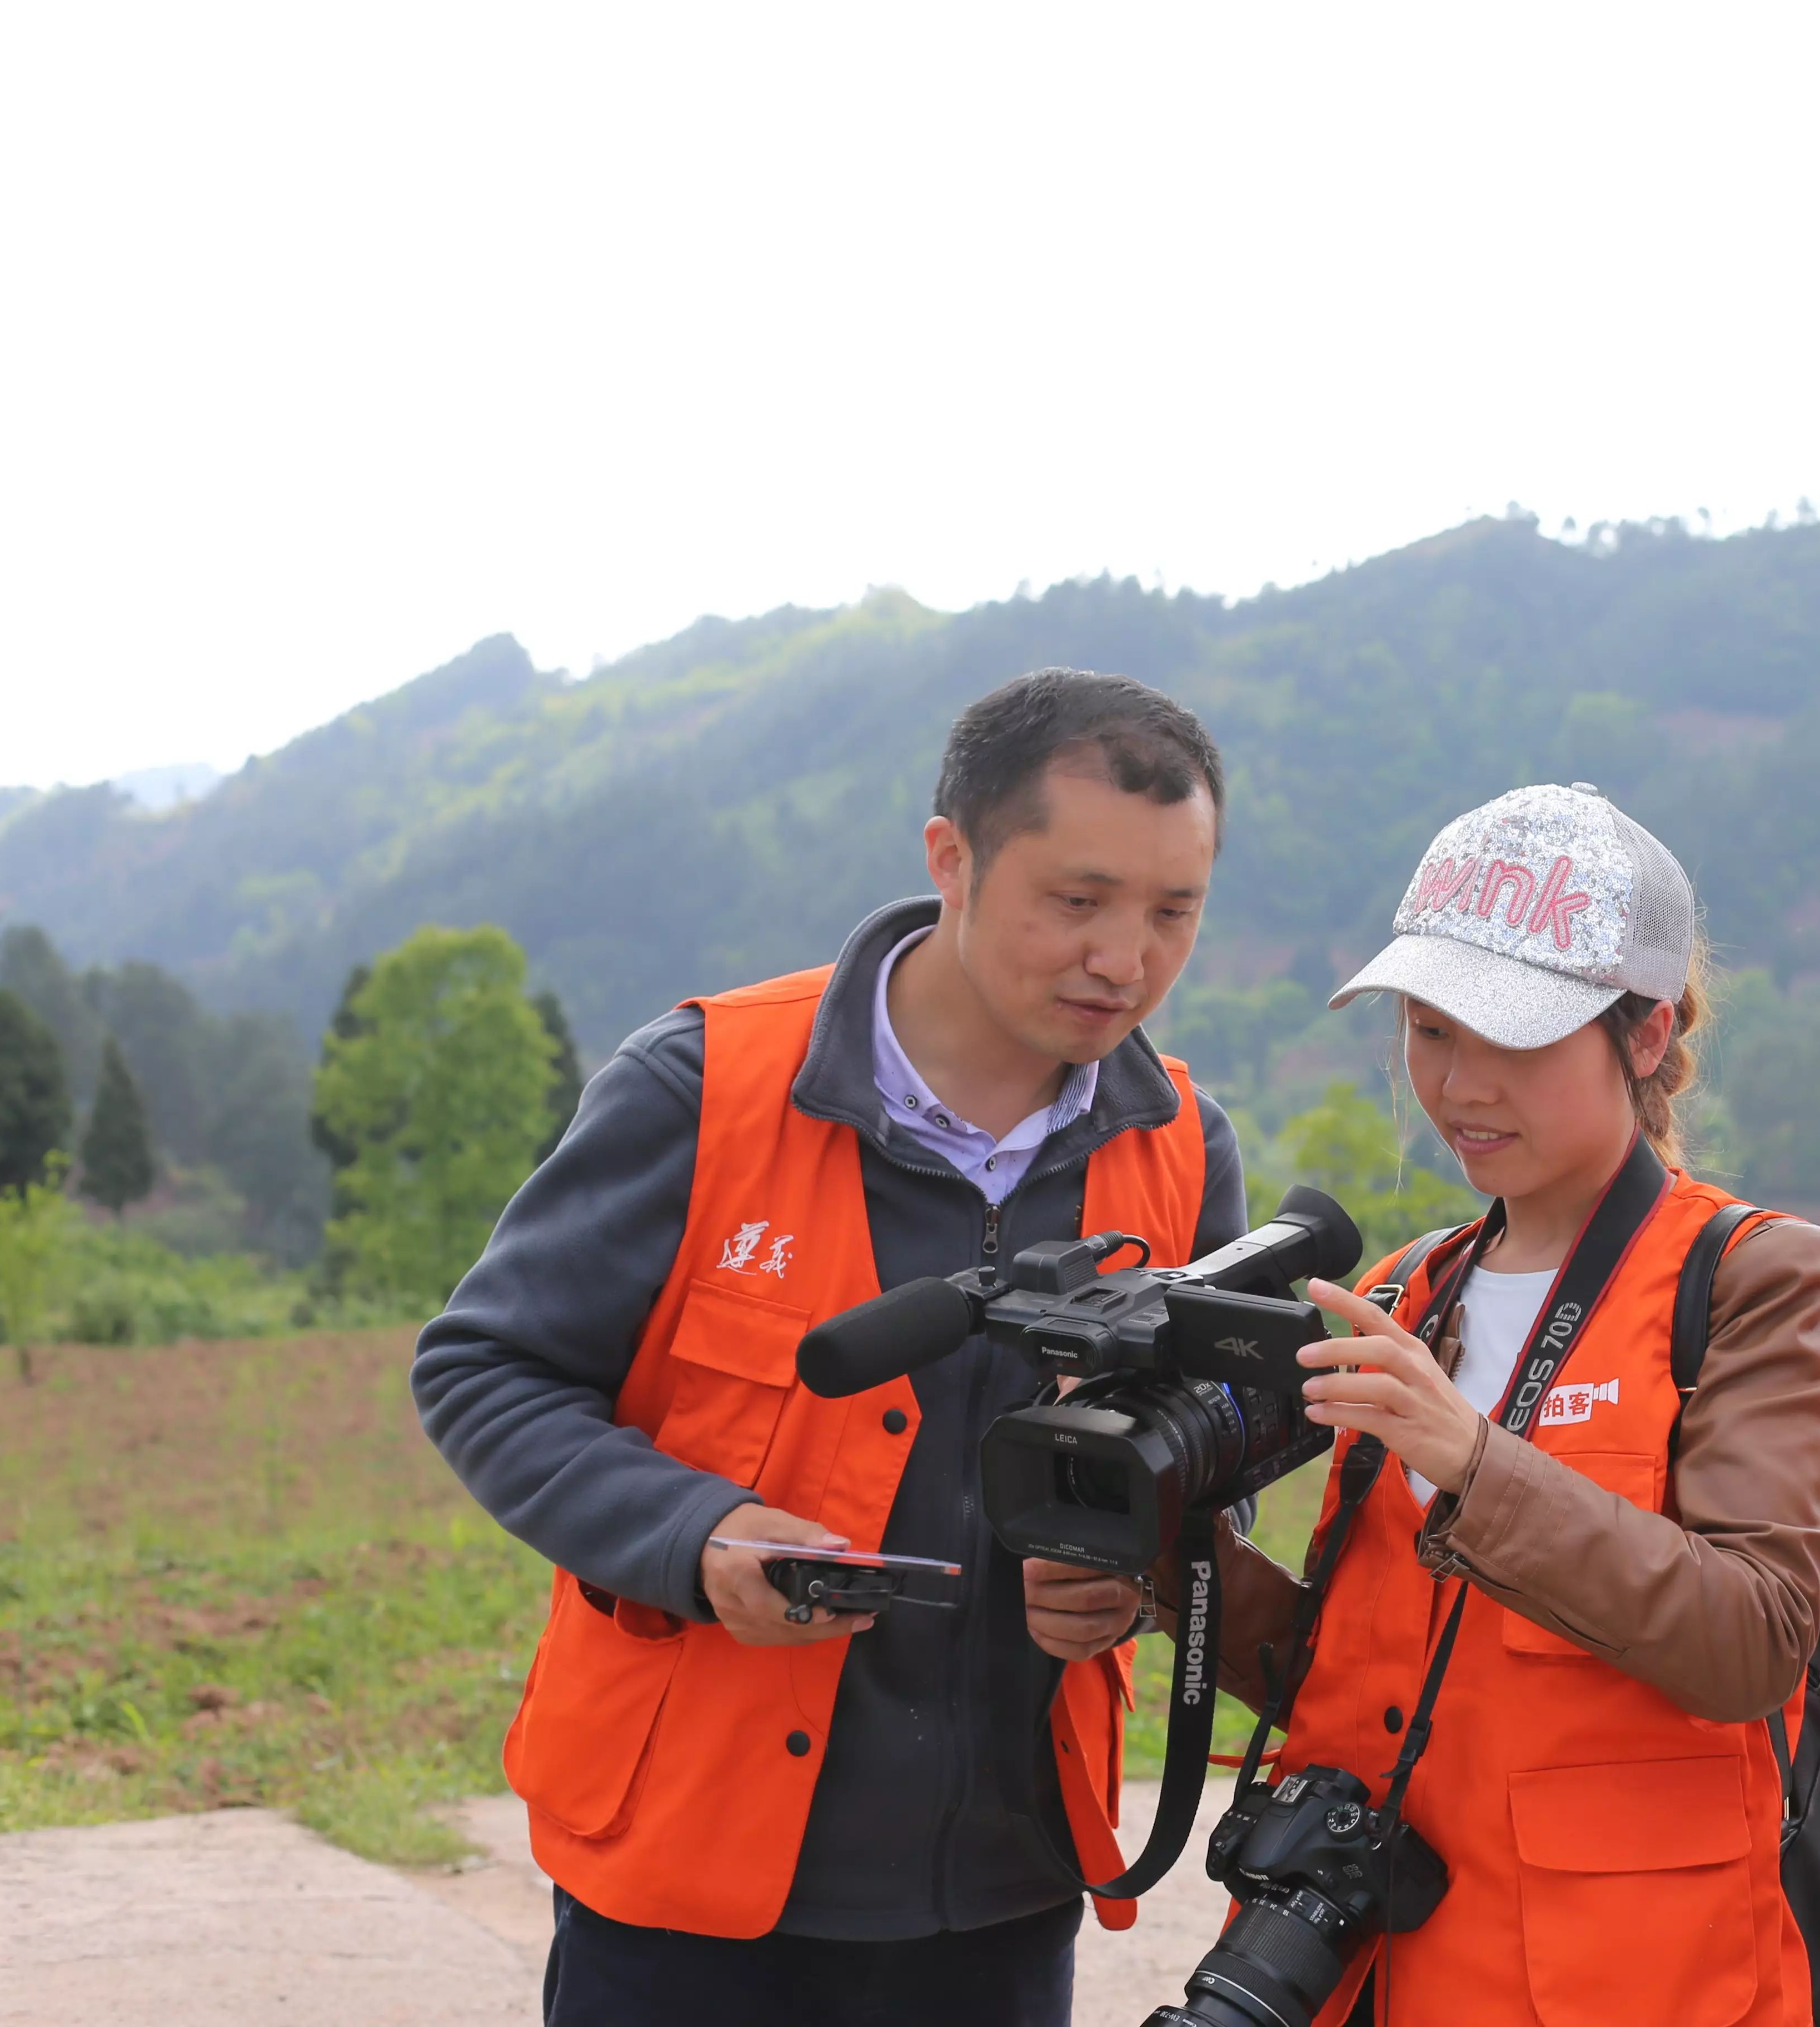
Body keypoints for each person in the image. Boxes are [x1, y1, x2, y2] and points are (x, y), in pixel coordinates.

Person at [413, 668, 1249, 2027]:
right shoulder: (703, 1088)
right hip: (688, 1883)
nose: (1125, 960)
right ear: (952, 860)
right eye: (1078, 901)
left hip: (1003, 1876)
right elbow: (485, 1370)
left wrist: (1144, 1566)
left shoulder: (1180, 1148)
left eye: (1175, 912)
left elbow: (1206, 1439)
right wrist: (695, 1535)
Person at [1108, 782, 1820, 2027]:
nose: (1459, 1085)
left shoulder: (1748, 1276)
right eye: (1431, 1030)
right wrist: (1154, 1547)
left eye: (1514, 1039)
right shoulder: (1409, 1288)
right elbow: (1339, 1675)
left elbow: (1752, 1644)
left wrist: (1473, 1462)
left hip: (1616, 1983)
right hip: (1360, 1967)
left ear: (1649, 1034)